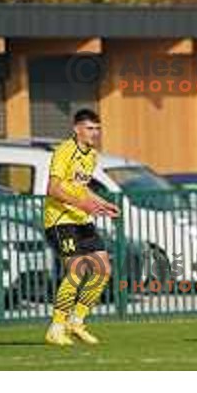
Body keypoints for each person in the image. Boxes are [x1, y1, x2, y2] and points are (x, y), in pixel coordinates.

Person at [44, 109, 120, 346]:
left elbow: (80, 186)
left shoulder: (92, 155)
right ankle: (56, 328)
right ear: (77, 129)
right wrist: (84, 205)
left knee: (103, 269)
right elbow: (53, 189)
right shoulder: (64, 151)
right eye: (90, 128)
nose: (94, 133)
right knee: (77, 270)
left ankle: (76, 322)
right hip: (60, 220)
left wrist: (101, 202)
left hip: (81, 219)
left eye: (97, 129)